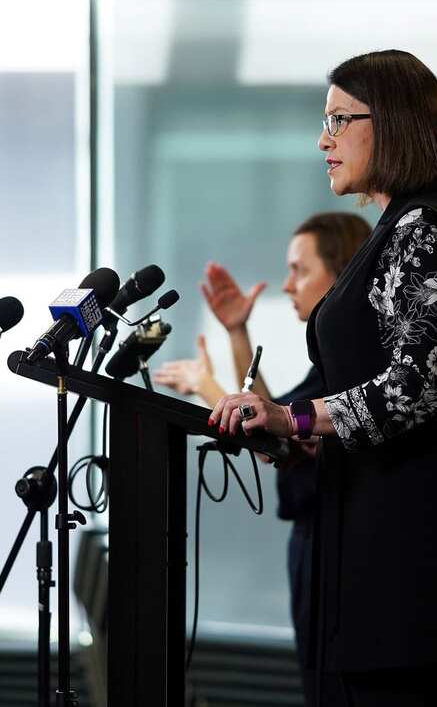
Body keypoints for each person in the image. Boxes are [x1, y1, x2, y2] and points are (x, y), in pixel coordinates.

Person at [210, 50, 437, 705]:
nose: (321, 139)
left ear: (387, 124)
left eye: (337, 119)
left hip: (416, 536)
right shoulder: (399, 225)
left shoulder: (426, 227)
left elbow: (415, 387)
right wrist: (298, 428)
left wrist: (295, 418)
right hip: (387, 527)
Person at [153, 212, 371, 707]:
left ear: (343, 274)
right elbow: (278, 422)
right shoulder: (333, 360)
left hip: (341, 554)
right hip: (318, 544)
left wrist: (209, 385)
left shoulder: (353, 361)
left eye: (300, 271)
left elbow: (279, 431)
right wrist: (237, 335)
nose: (288, 286)